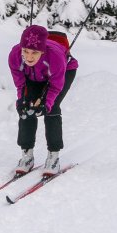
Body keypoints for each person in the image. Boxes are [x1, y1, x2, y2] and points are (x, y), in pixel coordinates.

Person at [9, 24, 78, 176]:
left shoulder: (54, 57)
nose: (28, 57)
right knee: (27, 108)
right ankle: (27, 155)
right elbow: (20, 84)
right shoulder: (14, 56)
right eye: (25, 51)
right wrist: (21, 101)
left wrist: (46, 104)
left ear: (42, 50)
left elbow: (54, 87)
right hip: (34, 76)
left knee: (52, 108)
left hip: (63, 72)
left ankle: (53, 157)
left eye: (34, 52)